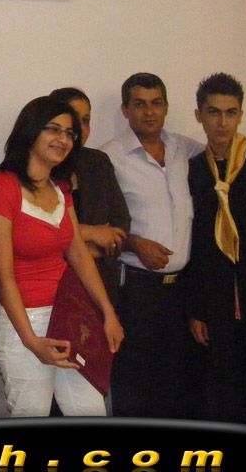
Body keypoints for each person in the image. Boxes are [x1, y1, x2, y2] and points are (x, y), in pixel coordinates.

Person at [0, 96, 124, 417]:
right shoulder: (0, 188)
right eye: (53, 129)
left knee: (91, 413)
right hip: (25, 325)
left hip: (68, 318)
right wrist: (31, 340)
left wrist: (107, 313)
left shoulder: (60, 190)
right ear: (30, 131)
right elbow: (4, 277)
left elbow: (79, 255)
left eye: (70, 133)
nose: (63, 139)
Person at [100, 72, 203, 418]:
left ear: (166, 107)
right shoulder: (110, 157)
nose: (149, 112)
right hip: (136, 290)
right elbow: (97, 226)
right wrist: (134, 243)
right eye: (139, 104)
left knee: (180, 387)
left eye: (156, 103)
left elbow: (227, 154)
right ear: (125, 110)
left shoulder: (185, 150)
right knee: (135, 386)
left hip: (182, 292)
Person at [182, 73, 246, 424]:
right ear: (199, 115)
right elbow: (195, 244)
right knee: (224, 390)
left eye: (230, 113)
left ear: (241, 115)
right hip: (216, 299)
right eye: (213, 112)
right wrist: (196, 308)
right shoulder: (192, 171)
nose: (222, 122)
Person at [49, 88, 130, 306]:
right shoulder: (36, 166)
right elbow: (35, 230)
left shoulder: (98, 162)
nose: (81, 129)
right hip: (47, 288)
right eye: (74, 119)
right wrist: (91, 233)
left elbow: (121, 223)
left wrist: (90, 250)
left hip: (99, 287)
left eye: (86, 121)